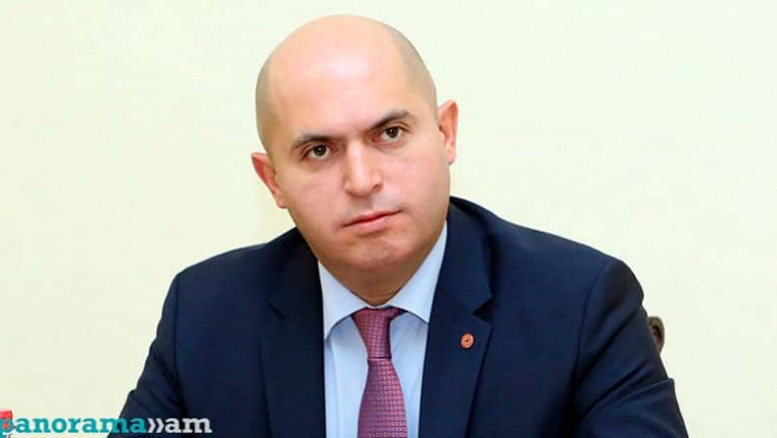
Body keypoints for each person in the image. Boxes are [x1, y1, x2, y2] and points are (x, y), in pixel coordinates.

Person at [114, 15, 687, 437]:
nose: (362, 180)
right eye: (319, 151)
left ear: (446, 134)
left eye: (389, 134)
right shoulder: (207, 315)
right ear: (273, 181)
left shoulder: (579, 306)